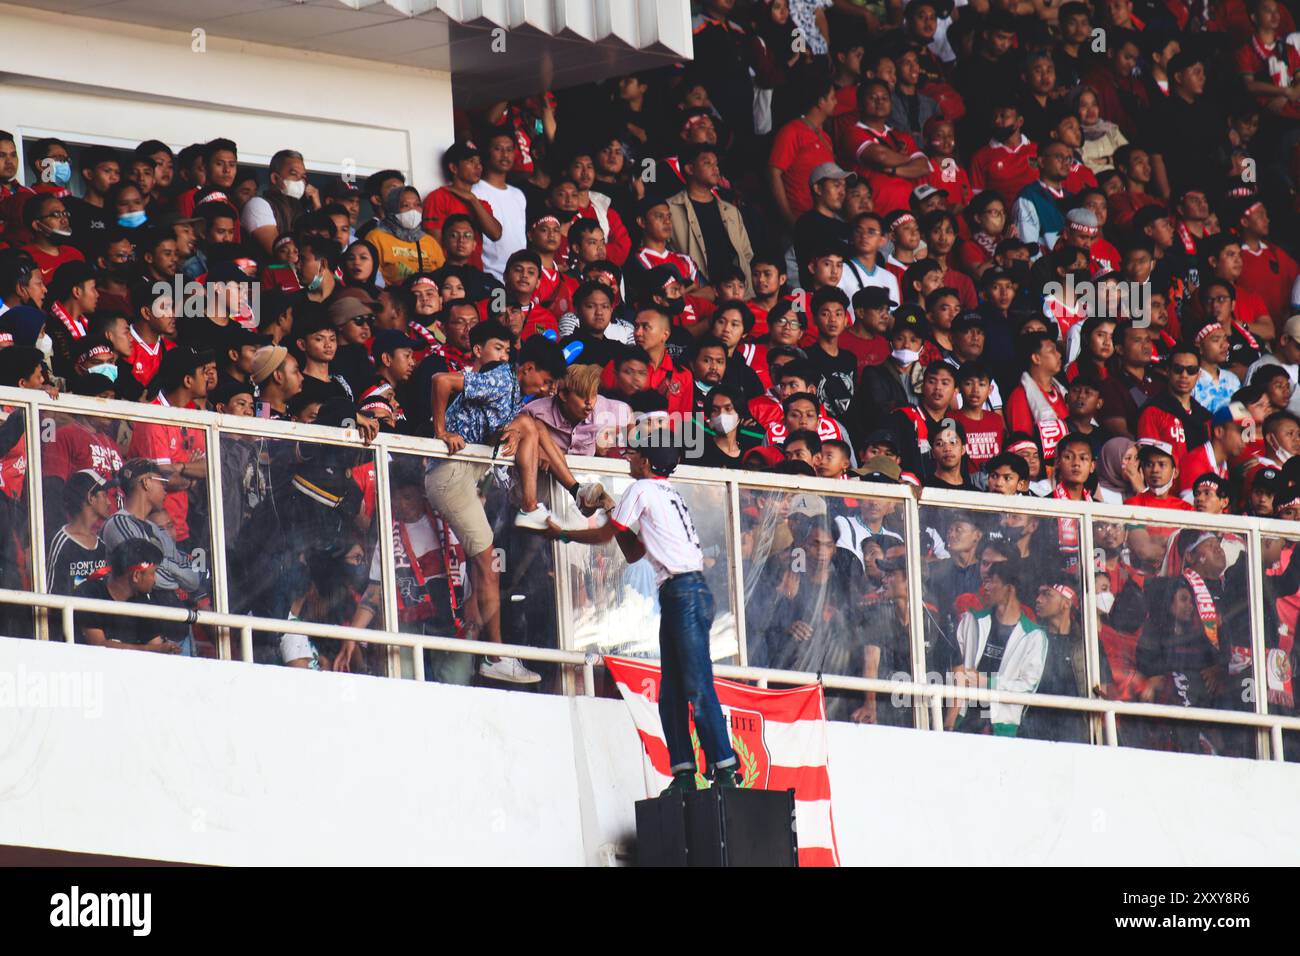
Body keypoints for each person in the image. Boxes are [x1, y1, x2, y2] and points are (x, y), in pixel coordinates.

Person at [545, 417, 739, 790]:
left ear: (646, 463)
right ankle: (684, 771)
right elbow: (633, 551)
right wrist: (606, 507)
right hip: (687, 592)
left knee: (696, 686)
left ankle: (726, 768)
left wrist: (564, 533)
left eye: (633, 455)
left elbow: (606, 537)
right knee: (672, 692)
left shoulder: (641, 489)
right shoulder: (666, 492)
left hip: (682, 593)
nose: (629, 459)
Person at [947, 556, 1048, 737]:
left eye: (992, 582)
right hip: (965, 721)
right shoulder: (972, 620)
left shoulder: (1034, 636)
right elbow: (956, 670)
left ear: (1009, 589)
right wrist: (950, 720)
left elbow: (1027, 686)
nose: (985, 588)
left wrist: (987, 683)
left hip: (1002, 727)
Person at [74, 538, 181, 654]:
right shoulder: (90, 593)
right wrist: (153, 649)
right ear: (136, 575)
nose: (155, 580)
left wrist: (166, 649)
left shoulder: (142, 600)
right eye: (153, 573)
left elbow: (155, 643)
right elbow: (98, 645)